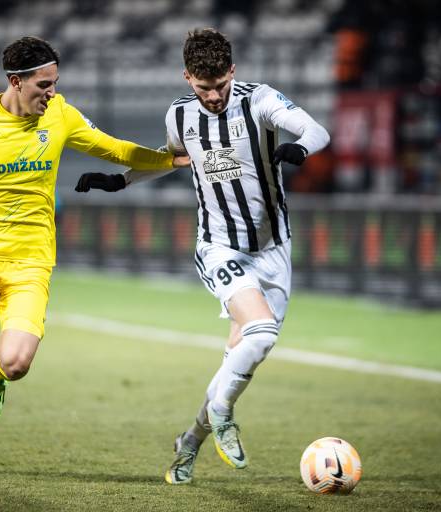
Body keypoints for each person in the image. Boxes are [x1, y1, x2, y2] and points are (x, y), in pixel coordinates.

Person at [0, 36, 188, 483]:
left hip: (30, 265)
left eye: (55, 83)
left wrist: (172, 161)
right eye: (44, 84)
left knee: (17, 364)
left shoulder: (60, 115)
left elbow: (116, 149)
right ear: (15, 81)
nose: (52, 93)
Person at [75, 28, 330, 484]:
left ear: (233, 71)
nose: (213, 96)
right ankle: (223, 414)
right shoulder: (180, 115)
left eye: (220, 85)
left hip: (274, 249)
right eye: (203, 87)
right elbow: (172, 158)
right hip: (218, 245)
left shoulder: (260, 100)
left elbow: (317, 129)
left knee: (244, 353)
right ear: (187, 77)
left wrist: (300, 146)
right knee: (261, 333)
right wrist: (120, 181)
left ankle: (190, 441)